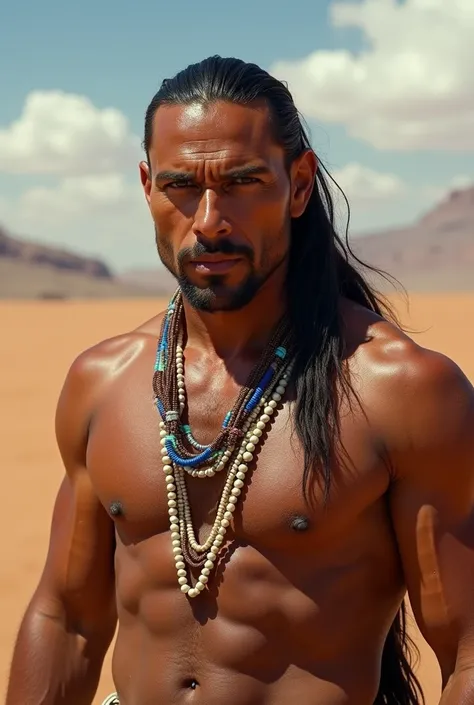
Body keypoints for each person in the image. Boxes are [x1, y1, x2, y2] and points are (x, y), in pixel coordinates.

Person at [6, 56, 474, 705]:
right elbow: (68, 619)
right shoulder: (103, 381)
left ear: (300, 184)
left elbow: (467, 650)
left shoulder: (401, 391)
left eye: (242, 182)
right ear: (146, 186)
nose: (208, 221)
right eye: (179, 186)